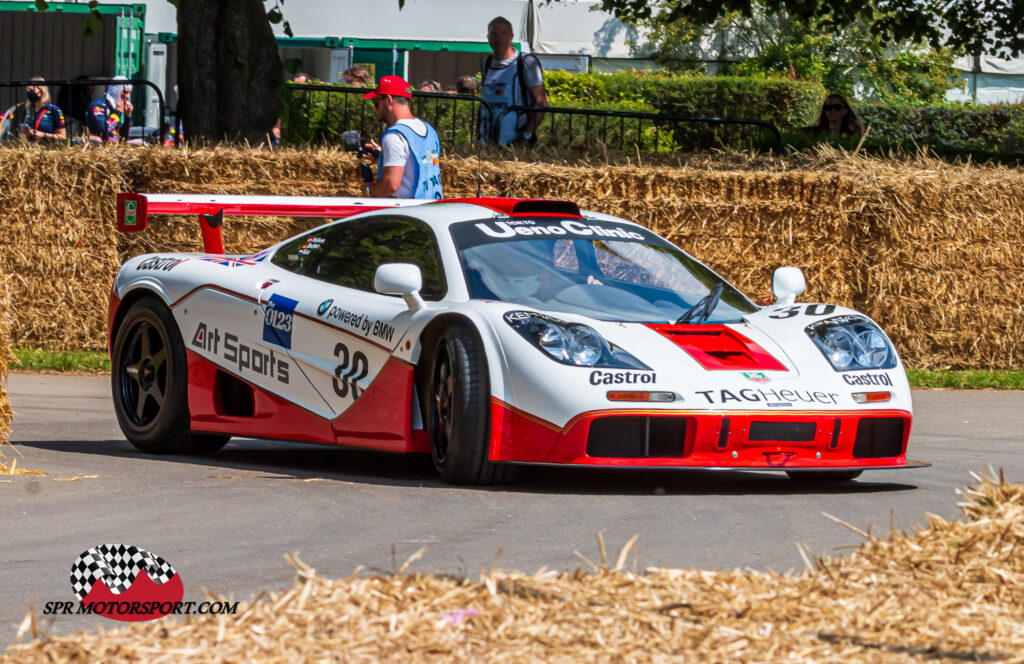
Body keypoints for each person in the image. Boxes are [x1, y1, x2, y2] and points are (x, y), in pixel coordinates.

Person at [359, 75, 443, 199]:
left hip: (405, 212)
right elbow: (419, 162)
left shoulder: (394, 136)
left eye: (376, 103)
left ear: (388, 100)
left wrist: (369, 188)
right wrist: (381, 155)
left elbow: (390, 185)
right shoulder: (429, 130)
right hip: (431, 207)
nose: (376, 110)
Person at [480, 16, 548, 145]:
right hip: (487, 143)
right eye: (494, 34)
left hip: (515, 144)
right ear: (488, 38)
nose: (498, 38)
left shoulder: (526, 62)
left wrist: (526, 136)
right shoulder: (486, 64)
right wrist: (478, 135)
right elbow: (483, 102)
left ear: (511, 37)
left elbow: (541, 102)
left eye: (503, 33)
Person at [13, 77, 66, 142]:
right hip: (29, 149)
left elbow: (63, 137)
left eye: (32, 91)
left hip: (47, 148)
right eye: (28, 91)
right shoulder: (27, 109)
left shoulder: (53, 109)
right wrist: (25, 133)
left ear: (42, 91)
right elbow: (21, 134)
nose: (30, 94)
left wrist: (44, 135)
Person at [85, 77, 133, 143]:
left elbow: (123, 137)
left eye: (129, 93)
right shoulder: (98, 105)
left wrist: (127, 117)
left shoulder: (115, 108)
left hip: (113, 147)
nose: (128, 96)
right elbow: (104, 130)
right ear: (116, 91)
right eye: (125, 92)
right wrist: (118, 112)